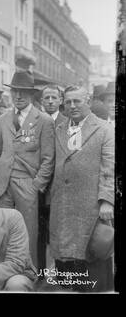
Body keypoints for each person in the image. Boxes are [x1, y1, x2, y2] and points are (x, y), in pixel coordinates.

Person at [49, 86, 115, 292]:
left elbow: (109, 167)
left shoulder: (104, 129)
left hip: (91, 205)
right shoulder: (59, 128)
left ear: (88, 101)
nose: (72, 106)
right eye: (68, 102)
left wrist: (106, 200)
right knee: (65, 261)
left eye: (77, 101)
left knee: (91, 256)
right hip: (62, 205)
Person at [0, 70, 55, 271]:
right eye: (15, 91)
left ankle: (29, 273)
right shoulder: (3, 119)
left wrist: (37, 185)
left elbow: (48, 159)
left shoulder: (43, 120)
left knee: (28, 231)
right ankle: (4, 272)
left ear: (32, 94)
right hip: (2, 185)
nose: (18, 96)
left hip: (27, 183)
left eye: (23, 92)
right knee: (2, 230)